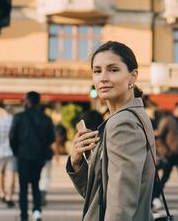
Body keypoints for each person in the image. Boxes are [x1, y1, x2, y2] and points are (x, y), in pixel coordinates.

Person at [66, 41, 156, 221]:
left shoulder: (123, 124)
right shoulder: (131, 116)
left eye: (113, 70)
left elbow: (120, 205)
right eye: (97, 71)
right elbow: (103, 197)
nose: (103, 77)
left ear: (133, 76)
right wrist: (77, 163)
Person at [10, 91, 56, 221]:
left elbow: (12, 137)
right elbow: (51, 138)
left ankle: (24, 216)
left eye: (24, 99)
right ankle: (37, 212)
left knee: (23, 187)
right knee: (36, 184)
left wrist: (16, 152)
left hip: (23, 156)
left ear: (28, 101)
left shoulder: (19, 117)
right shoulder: (46, 118)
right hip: (39, 156)